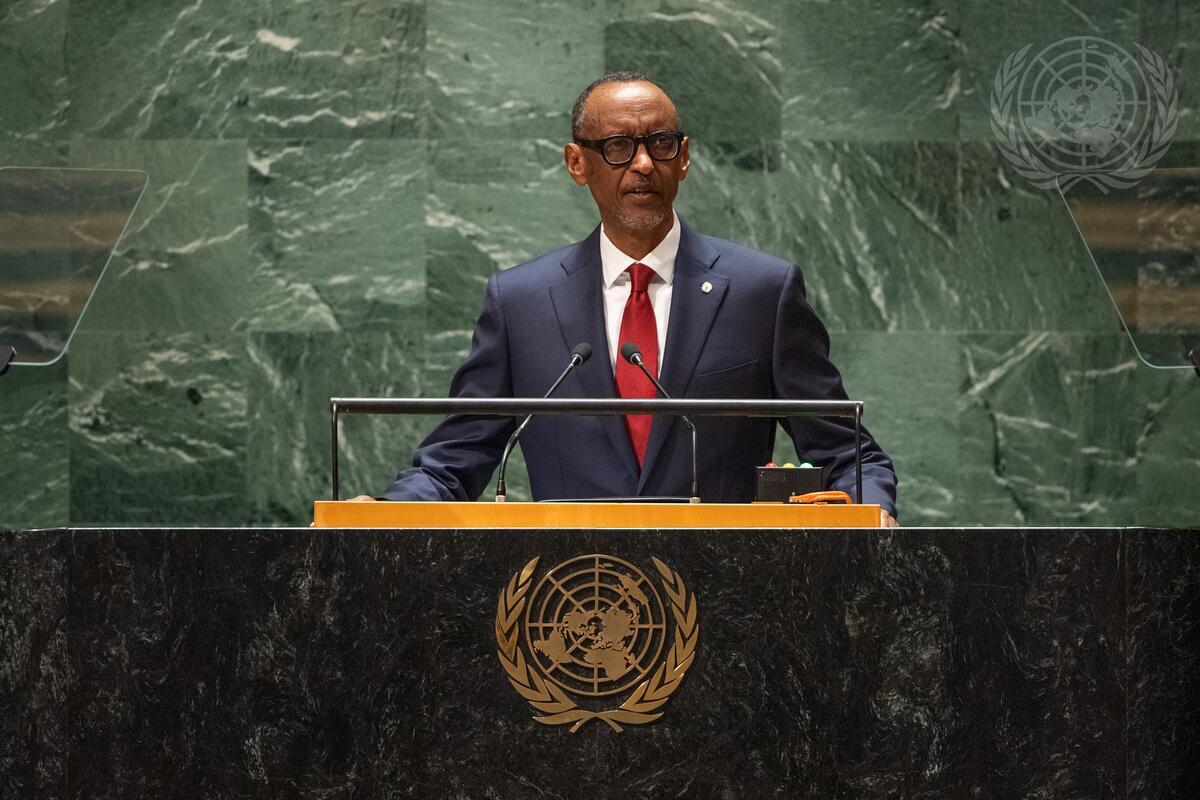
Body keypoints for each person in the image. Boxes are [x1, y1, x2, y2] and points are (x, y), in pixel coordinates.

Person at [368, 72, 898, 525]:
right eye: (618, 147)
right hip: (571, 604)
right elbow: (455, 459)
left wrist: (872, 512)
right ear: (577, 163)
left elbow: (846, 453)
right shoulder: (520, 302)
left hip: (732, 607)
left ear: (684, 158)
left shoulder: (761, 291)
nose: (643, 163)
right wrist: (380, 517)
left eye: (661, 144)